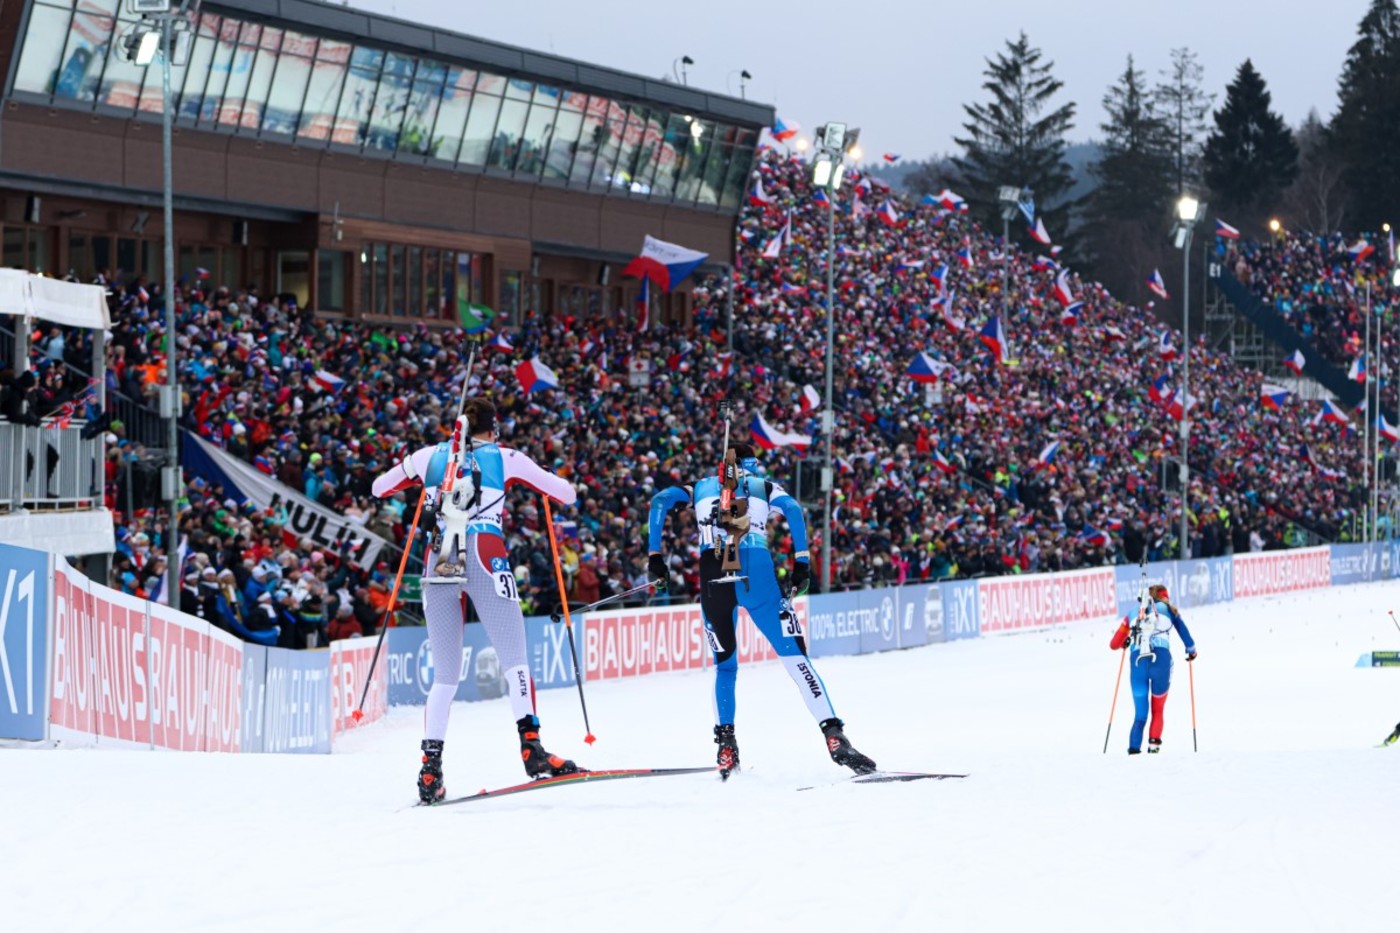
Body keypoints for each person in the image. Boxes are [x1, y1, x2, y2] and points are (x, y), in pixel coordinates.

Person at [372, 397, 582, 804]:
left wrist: (422, 479)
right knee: (515, 660)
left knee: (446, 676)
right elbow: (567, 494)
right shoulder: (507, 456)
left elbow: (379, 487)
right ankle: (532, 749)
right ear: (493, 427)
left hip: (442, 552)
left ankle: (430, 771)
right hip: (485, 549)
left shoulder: (429, 454)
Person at [647, 441, 876, 779]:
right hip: (756, 572)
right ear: (751, 463)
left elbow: (660, 501)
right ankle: (834, 736)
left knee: (725, 669)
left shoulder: (697, 488)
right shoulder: (763, 486)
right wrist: (801, 562)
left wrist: (655, 557)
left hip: (713, 576)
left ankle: (726, 745)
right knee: (797, 660)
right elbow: (794, 510)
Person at [1110, 583, 1198, 754]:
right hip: (1161, 662)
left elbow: (1114, 644)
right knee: (1158, 710)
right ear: (1163, 597)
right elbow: (1186, 636)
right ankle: (1153, 749)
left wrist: (1125, 642)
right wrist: (1191, 651)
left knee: (1140, 715)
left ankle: (1134, 751)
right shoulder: (1169, 610)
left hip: (1138, 664)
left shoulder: (1133, 613)